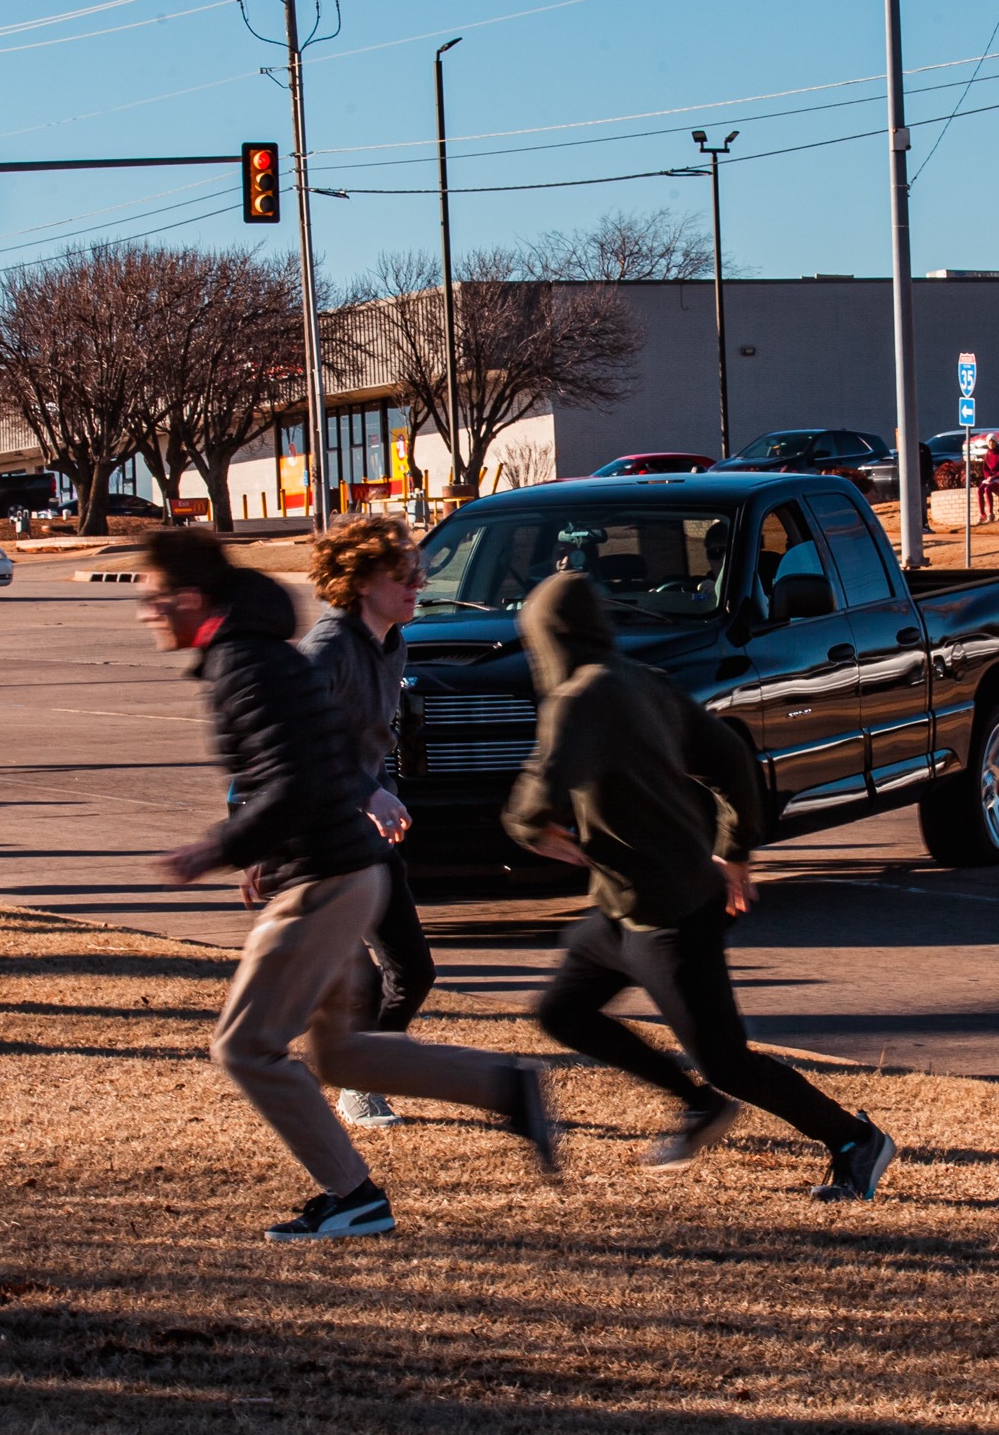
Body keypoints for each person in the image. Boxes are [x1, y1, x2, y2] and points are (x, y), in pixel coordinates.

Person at [138, 528, 555, 1244]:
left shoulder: (247, 661)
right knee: (338, 1054)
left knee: (244, 1047)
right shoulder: (264, 652)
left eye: (151, 600)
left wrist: (222, 845)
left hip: (325, 878)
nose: (144, 614)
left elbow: (298, 775)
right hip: (346, 868)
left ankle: (353, 1196)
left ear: (190, 598)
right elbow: (313, 759)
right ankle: (505, 1086)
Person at [502, 571, 897, 1201]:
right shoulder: (641, 682)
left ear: (547, 640)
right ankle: (697, 1105)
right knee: (563, 1011)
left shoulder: (580, 698)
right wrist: (735, 849)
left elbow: (538, 791)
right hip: (624, 909)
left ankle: (853, 1139)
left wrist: (533, 827)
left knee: (727, 1060)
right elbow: (731, 757)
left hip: (670, 912)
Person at [298, 514, 434, 1129]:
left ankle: (359, 1071)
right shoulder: (326, 650)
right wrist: (364, 792)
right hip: (317, 834)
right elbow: (296, 743)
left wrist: (384, 790)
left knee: (413, 971)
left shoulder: (391, 641)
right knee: (353, 975)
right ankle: (356, 1083)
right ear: (358, 580)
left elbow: (370, 740)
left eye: (417, 572)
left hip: (364, 826)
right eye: (401, 574)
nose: (415, 585)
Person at [977, 436, 999, 523]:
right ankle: (982, 514)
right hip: (990, 478)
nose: (991, 444)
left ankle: (990, 514)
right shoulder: (987, 454)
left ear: (996, 442)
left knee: (988, 489)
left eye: (993, 442)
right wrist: (988, 477)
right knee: (980, 490)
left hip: (998, 478)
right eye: (989, 442)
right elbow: (985, 468)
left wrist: (994, 477)